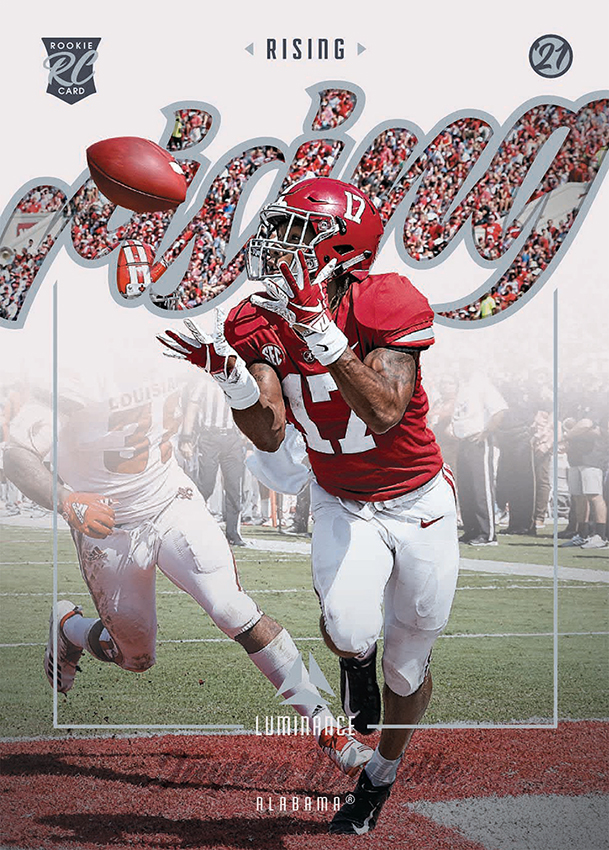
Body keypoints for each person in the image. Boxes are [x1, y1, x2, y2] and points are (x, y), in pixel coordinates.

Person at [159, 176, 459, 835]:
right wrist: (230, 377)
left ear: (340, 247)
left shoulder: (387, 298)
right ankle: (355, 663)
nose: (275, 242)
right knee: (352, 630)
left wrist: (319, 329)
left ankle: (378, 777)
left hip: (418, 501)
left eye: (295, 229)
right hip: (342, 498)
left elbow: (383, 410)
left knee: (408, 669)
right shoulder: (253, 315)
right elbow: (268, 430)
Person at [3, 348, 372, 779]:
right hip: (109, 524)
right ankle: (70, 628)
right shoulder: (77, 368)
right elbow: (16, 454)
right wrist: (66, 500)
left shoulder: (175, 345)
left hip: (170, 499)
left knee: (231, 607)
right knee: (136, 657)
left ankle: (328, 730)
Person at [179, 377, 247, 546]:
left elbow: (245, 407)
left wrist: (247, 433)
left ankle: (232, 532)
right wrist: (186, 438)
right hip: (209, 437)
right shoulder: (204, 382)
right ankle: (191, 524)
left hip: (232, 437)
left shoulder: (236, 382)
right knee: (206, 485)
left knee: (234, 486)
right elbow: (192, 409)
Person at [451, 365, 507, 545]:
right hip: (464, 441)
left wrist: (485, 433)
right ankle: (471, 529)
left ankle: (487, 533)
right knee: (466, 488)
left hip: (478, 442)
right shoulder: (463, 386)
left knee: (481, 488)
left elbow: (499, 411)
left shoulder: (483, 383)